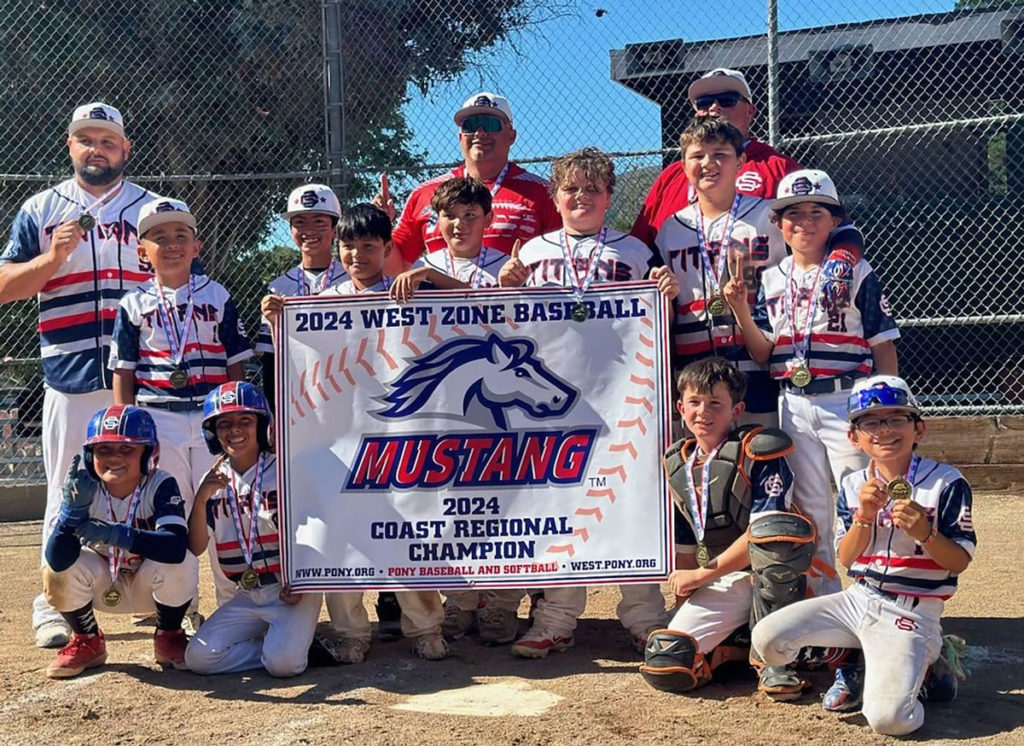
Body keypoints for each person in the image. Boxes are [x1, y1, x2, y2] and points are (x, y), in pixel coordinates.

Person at [498, 146, 680, 657]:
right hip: (552, 405)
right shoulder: (531, 254)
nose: (581, 196)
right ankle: (555, 617)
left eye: (592, 189)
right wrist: (504, 287)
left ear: (608, 196)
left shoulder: (635, 252)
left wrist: (664, 292)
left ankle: (646, 616)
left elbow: (657, 324)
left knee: (630, 502)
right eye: (571, 188)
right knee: (558, 505)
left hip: (623, 399)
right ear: (555, 196)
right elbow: (507, 333)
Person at [0, 102, 162, 648]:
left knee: (151, 486)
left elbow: (184, 283)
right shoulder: (41, 208)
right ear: (71, 146)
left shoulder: (154, 209)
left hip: (143, 375)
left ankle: (160, 601)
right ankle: (53, 603)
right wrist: (51, 260)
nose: (97, 148)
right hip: (70, 372)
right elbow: (4, 286)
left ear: (126, 149)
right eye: (85, 139)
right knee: (66, 491)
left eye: (107, 139)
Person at [262, 204, 449, 662]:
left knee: (407, 532)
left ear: (388, 249)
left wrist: (429, 277)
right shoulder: (323, 303)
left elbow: (472, 305)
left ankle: (425, 626)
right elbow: (296, 357)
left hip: (400, 434)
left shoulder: (406, 293)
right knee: (342, 530)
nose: (358, 255)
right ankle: (350, 632)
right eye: (349, 246)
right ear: (338, 249)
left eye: (370, 246)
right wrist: (276, 320)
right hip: (341, 438)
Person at [751, 376, 976, 736]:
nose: (884, 430)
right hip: (860, 598)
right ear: (854, 436)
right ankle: (853, 659)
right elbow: (847, 558)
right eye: (870, 421)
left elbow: (959, 562)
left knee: (890, 720)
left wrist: (927, 534)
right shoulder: (854, 484)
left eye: (896, 419)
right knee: (767, 640)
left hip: (913, 611)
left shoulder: (946, 483)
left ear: (919, 429)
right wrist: (863, 517)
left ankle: (930, 661)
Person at [724, 169, 899, 599]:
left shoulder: (855, 271)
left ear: (834, 220)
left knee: (862, 497)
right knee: (811, 507)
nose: (804, 222)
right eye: (792, 214)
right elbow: (764, 353)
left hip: (848, 400)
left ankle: (873, 594)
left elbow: (883, 343)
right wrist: (740, 312)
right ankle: (825, 602)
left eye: (816, 212)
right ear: (779, 224)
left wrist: (888, 411)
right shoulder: (769, 278)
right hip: (794, 403)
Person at [638, 358, 814, 698]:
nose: (703, 412)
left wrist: (701, 577)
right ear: (680, 407)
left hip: (776, 578)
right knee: (668, 660)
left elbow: (763, 532)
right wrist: (686, 589)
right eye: (694, 403)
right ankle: (736, 646)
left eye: (715, 404)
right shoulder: (679, 461)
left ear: (737, 410)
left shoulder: (758, 450)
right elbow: (688, 537)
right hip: (722, 578)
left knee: (773, 541)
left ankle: (776, 661)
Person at [41, 405, 198, 677]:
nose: (114, 457)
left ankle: (169, 634)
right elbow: (57, 559)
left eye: (127, 449)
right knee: (52, 568)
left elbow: (174, 547)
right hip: (102, 583)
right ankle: (87, 639)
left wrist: (117, 534)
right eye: (103, 450)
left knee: (184, 560)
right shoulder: (84, 487)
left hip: (149, 586)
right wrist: (70, 515)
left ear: (149, 453)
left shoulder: (160, 483)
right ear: (90, 456)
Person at [653, 116, 787, 425]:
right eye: (697, 155)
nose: (708, 163)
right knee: (704, 464)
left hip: (758, 362)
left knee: (763, 456)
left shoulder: (770, 217)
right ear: (683, 164)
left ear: (740, 161)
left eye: (720, 154)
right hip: (694, 368)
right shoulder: (671, 229)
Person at [184, 382, 322, 677]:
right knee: (199, 658)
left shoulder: (285, 470)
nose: (234, 430)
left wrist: (300, 581)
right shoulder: (212, 481)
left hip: (289, 588)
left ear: (262, 425)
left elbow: (316, 531)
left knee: (284, 667)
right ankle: (280, 645)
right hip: (246, 594)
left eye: (244, 420)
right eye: (224, 424)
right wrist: (201, 499)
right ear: (212, 433)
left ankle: (287, 648)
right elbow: (195, 547)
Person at [379, 92, 561, 274]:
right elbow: (394, 268)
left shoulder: (543, 192)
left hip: (511, 300)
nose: (480, 133)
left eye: (491, 125)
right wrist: (379, 227)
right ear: (460, 137)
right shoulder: (426, 193)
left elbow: (563, 257)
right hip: (441, 300)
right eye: (470, 126)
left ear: (511, 135)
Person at [631, 68, 800, 247]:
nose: (715, 107)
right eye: (704, 103)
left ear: (750, 111)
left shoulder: (779, 168)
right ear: (697, 112)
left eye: (728, 100)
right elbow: (639, 247)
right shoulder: (671, 176)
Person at [256, 184, 348, 409]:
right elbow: (270, 359)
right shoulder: (279, 288)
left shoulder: (352, 280)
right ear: (289, 230)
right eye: (299, 222)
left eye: (319, 222)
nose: (309, 230)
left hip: (347, 386)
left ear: (335, 229)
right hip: (297, 397)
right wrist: (273, 413)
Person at [390, 176, 506, 304]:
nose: (459, 224)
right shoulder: (421, 267)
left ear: (488, 219)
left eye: (469, 215)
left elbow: (484, 308)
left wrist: (433, 276)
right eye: (449, 216)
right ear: (438, 220)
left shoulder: (505, 266)